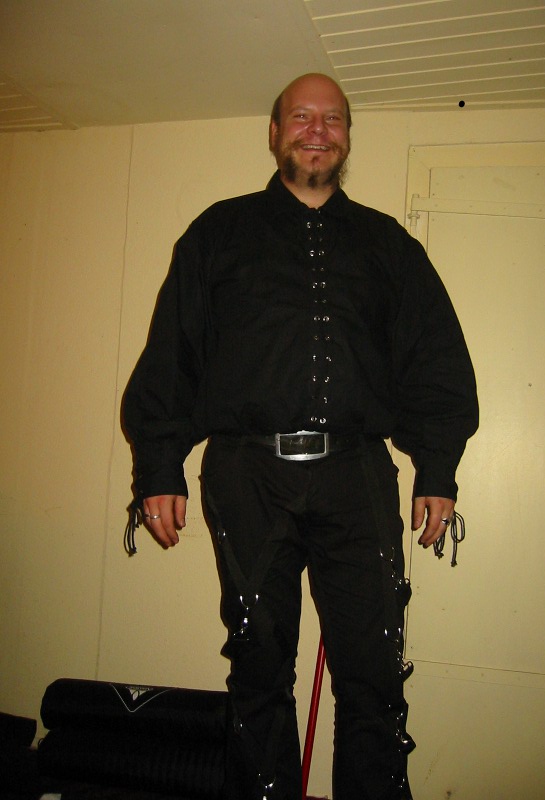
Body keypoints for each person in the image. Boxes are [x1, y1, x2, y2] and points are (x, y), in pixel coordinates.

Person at [123, 73, 478, 800]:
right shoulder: (218, 234)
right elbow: (173, 354)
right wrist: (158, 467)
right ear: (275, 133)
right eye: (301, 117)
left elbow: (435, 360)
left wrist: (437, 470)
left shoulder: (388, 246)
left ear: (347, 135)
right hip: (246, 477)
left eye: (333, 119)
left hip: (358, 478)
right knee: (259, 669)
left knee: (374, 676)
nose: (318, 131)